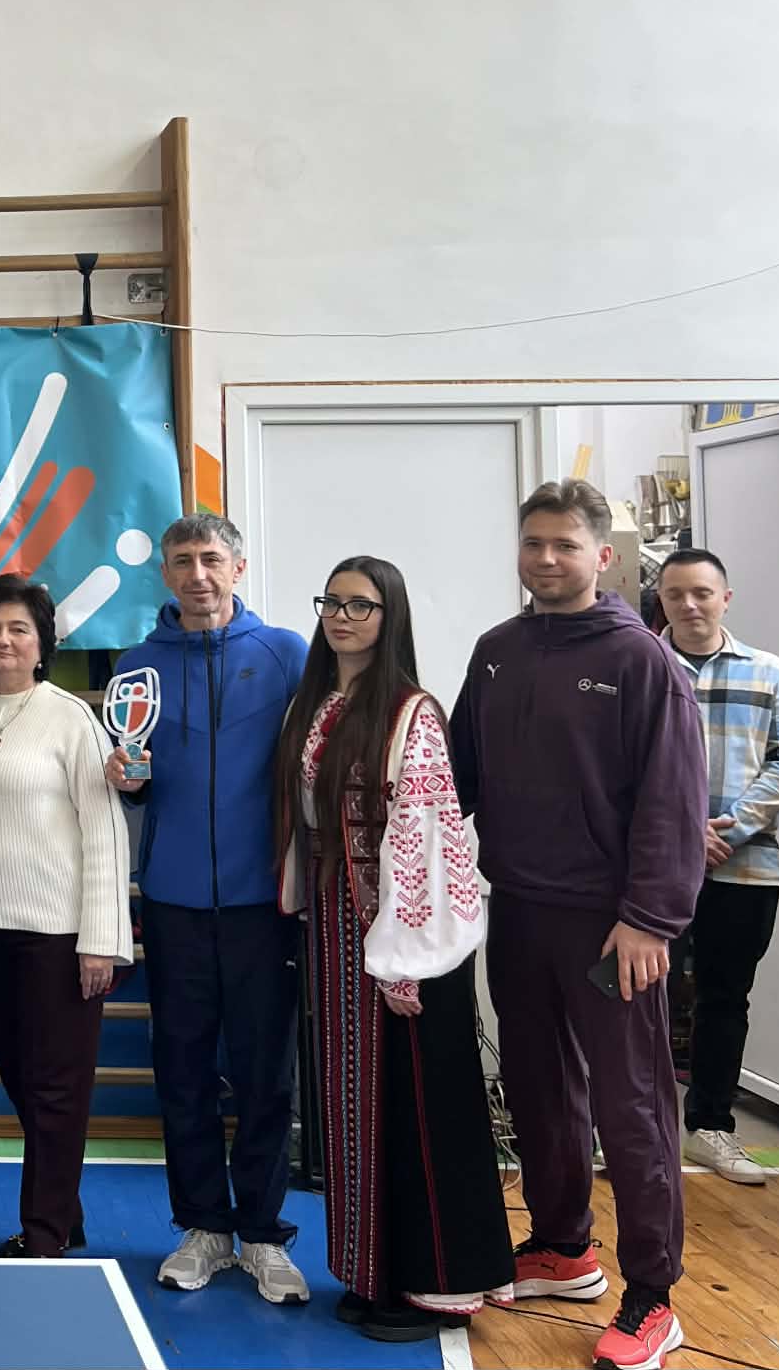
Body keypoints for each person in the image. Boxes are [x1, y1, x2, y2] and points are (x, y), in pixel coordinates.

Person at [450, 481, 707, 1370]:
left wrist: (649, 919)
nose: (546, 558)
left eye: (565, 544)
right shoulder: (496, 651)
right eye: (534, 542)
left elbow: (673, 802)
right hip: (518, 910)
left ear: (603, 555)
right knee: (537, 1088)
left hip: (612, 927)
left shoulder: (641, 660)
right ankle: (563, 1246)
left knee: (631, 1106)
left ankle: (654, 1296)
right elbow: (457, 778)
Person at [274, 558, 513, 1342]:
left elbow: (426, 833)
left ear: (390, 615)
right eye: (332, 601)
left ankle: (433, 1280)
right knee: (352, 1104)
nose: (342, 615)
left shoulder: (413, 711)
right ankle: (372, 1268)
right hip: (337, 924)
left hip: (408, 932)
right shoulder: (315, 703)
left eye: (361, 604)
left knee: (414, 1108)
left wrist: (405, 951)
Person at [106, 511, 311, 1304]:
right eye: (183, 560)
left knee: (265, 1073)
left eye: (211, 558)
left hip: (265, 903)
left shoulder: (287, 653)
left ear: (238, 567)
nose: (198, 573)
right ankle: (203, 1227)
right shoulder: (138, 666)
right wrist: (129, 780)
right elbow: (138, 777)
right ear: (165, 573)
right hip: (173, 901)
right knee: (183, 1070)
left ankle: (261, 1232)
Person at [0, 573, 129, 1259]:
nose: (4, 639)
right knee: (23, 1079)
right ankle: (64, 1214)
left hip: (59, 935)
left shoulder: (71, 718)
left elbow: (105, 831)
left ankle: (43, 1234)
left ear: (43, 643)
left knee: (54, 1088)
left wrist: (101, 939)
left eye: (20, 628)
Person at [655, 548, 779, 1186]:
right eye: (675, 593)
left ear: (725, 598)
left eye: (702, 593)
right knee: (636, 996)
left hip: (743, 867)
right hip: (652, 868)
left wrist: (728, 829)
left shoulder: (770, 673)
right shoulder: (641, 667)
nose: (689, 605)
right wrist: (683, 835)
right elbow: (614, 766)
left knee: (724, 997)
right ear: (661, 600)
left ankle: (710, 1126)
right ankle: (637, 1127)